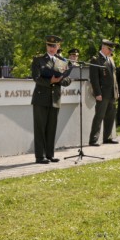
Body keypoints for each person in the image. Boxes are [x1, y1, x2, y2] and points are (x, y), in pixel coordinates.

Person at [31, 35, 72, 163]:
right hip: (41, 98)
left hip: (55, 98)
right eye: (49, 45)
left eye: (54, 46)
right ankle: (40, 156)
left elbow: (68, 79)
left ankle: (49, 154)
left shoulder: (62, 61)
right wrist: (50, 80)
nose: (52, 48)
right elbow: (36, 77)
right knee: (40, 128)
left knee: (51, 127)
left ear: (58, 47)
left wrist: (61, 80)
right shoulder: (38, 60)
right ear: (46, 46)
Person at [88, 39, 119, 146]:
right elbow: (94, 79)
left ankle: (107, 137)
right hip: (102, 93)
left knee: (110, 116)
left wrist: (116, 91)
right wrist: (97, 93)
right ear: (103, 48)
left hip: (111, 93)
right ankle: (93, 139)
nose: (111, 51)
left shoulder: (110, 59)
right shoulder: (96, 60)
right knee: (99, 116)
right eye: (110, 49)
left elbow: (114, 77)